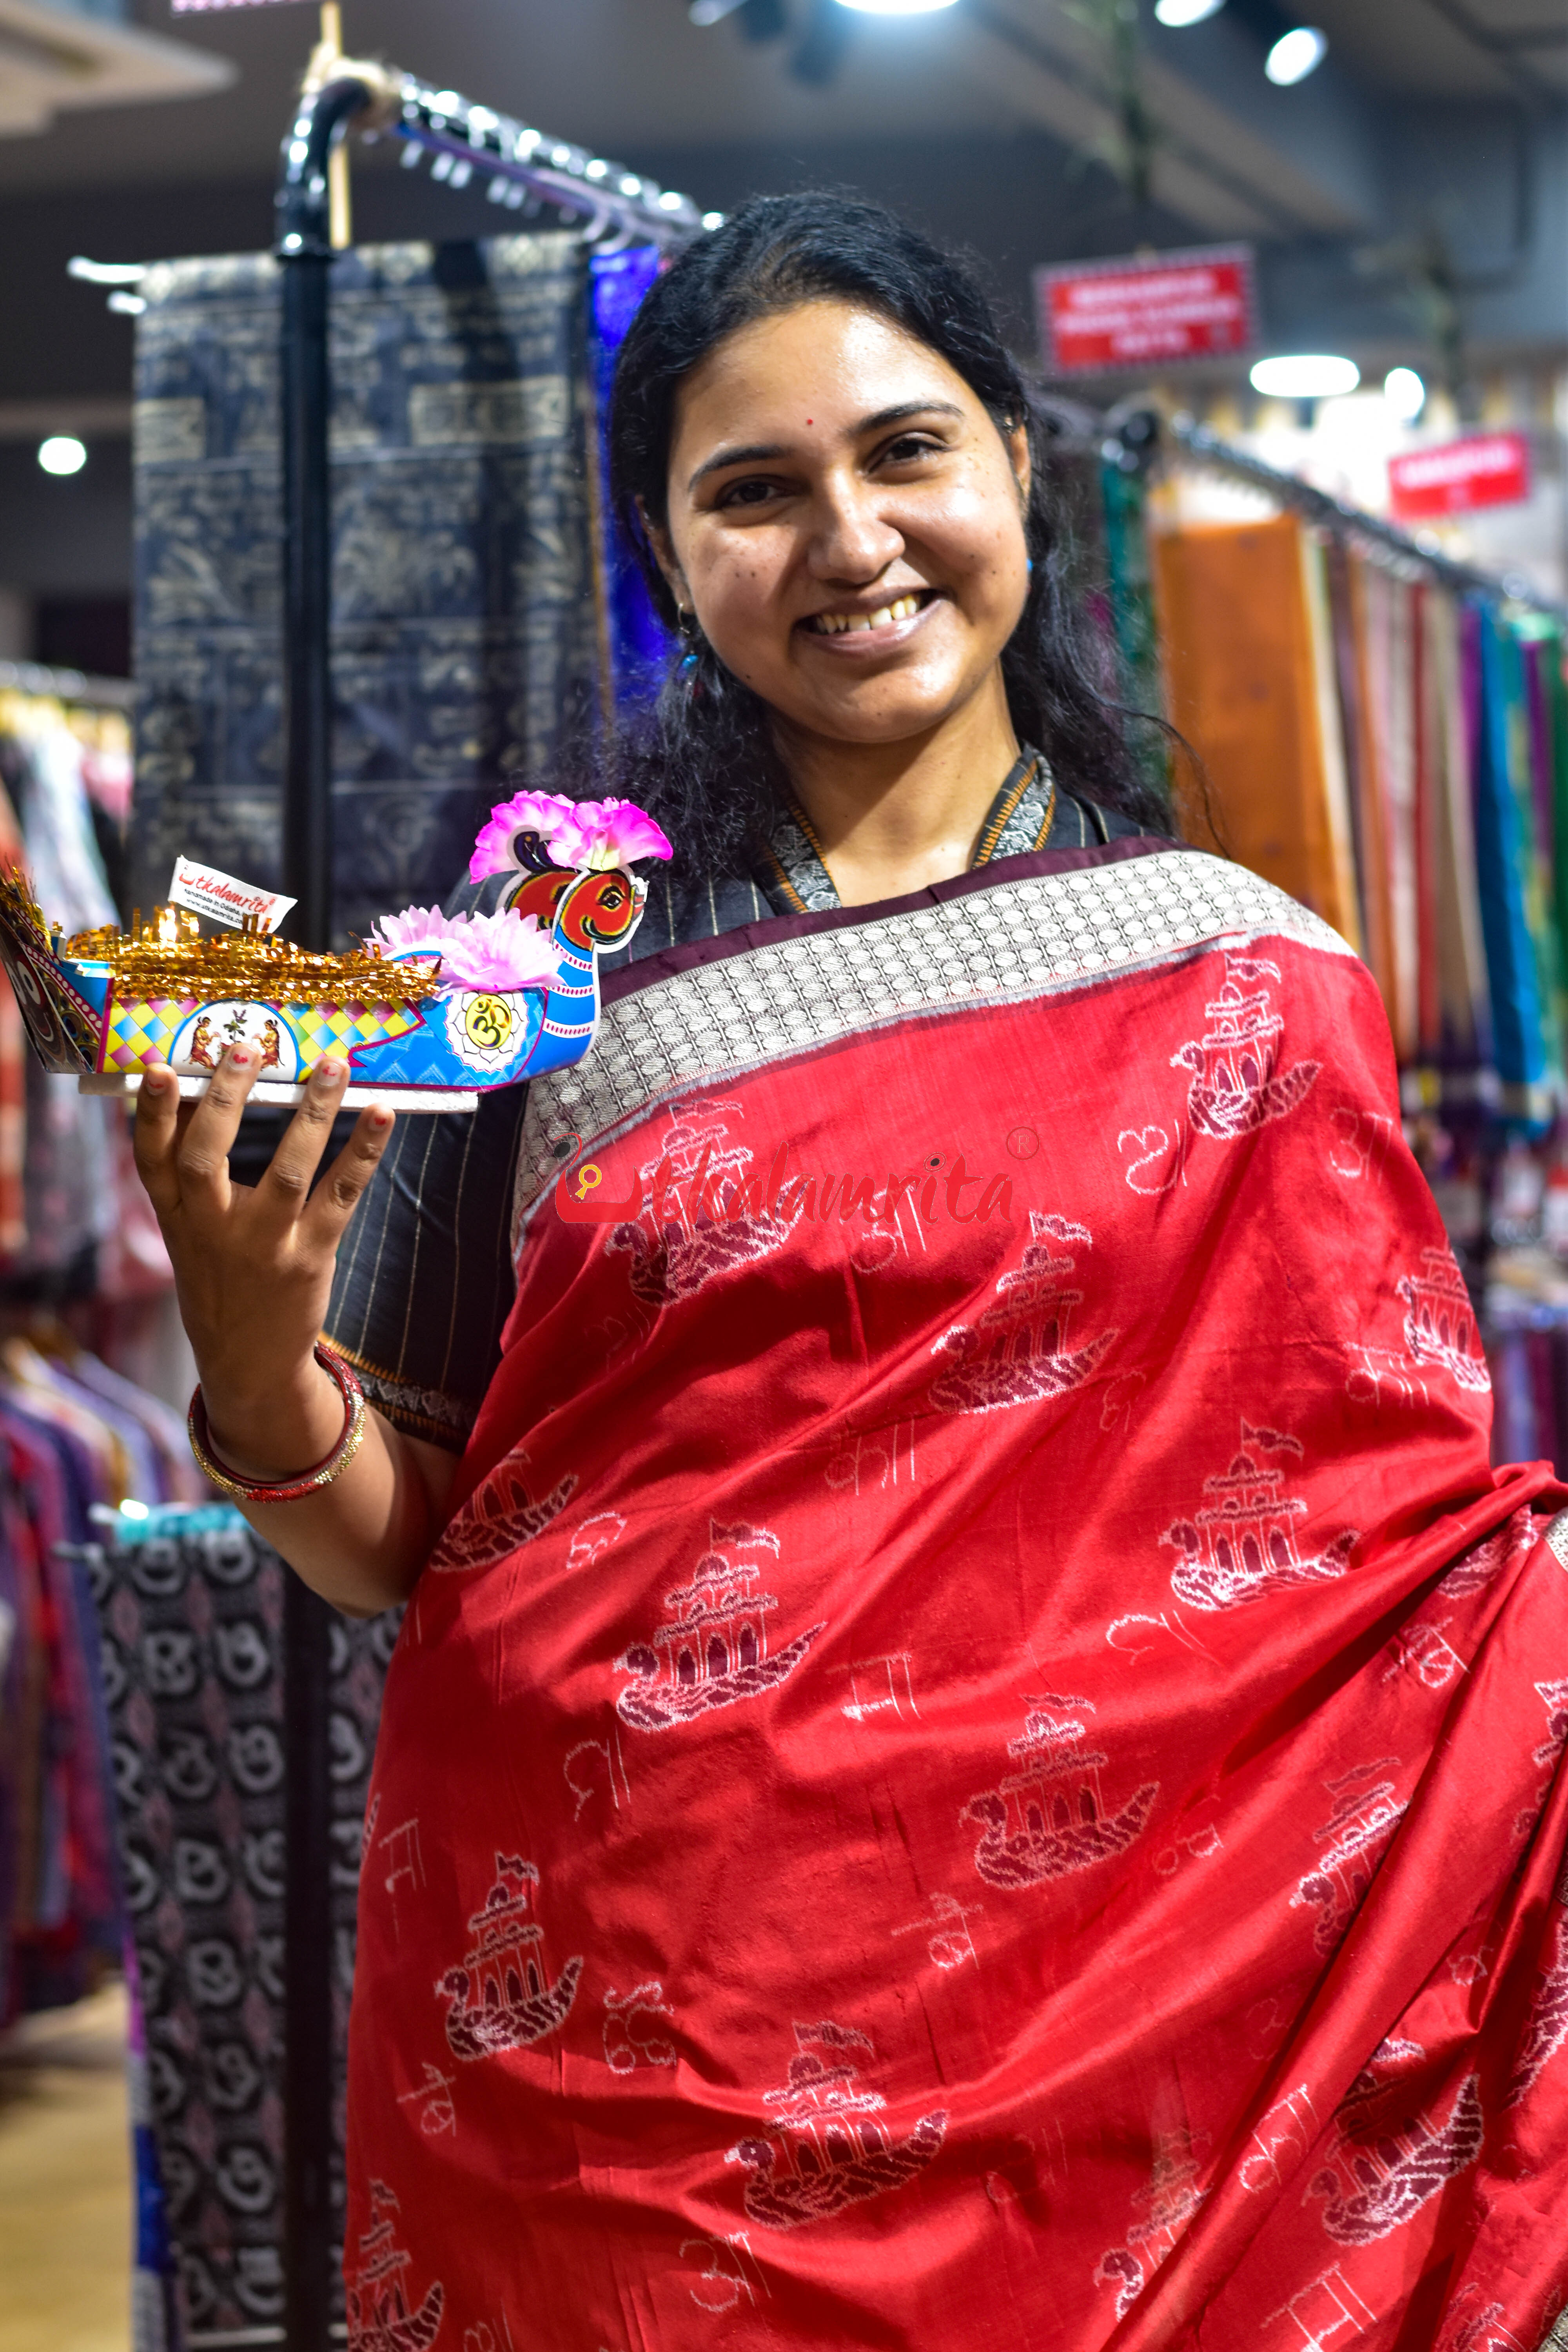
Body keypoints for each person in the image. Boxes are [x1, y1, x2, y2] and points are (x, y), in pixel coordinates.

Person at [131, 196, 1568, 2350]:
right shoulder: (550, 993)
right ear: (664, 548)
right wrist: (256, 1369)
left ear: (1012, 466)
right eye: (754, 491)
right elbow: (400, 1542)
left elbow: (1404, 1581)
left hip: (1156, 2065)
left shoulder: (1259, 982)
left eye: (908, 453)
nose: (852, 540)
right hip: (646, 2075)